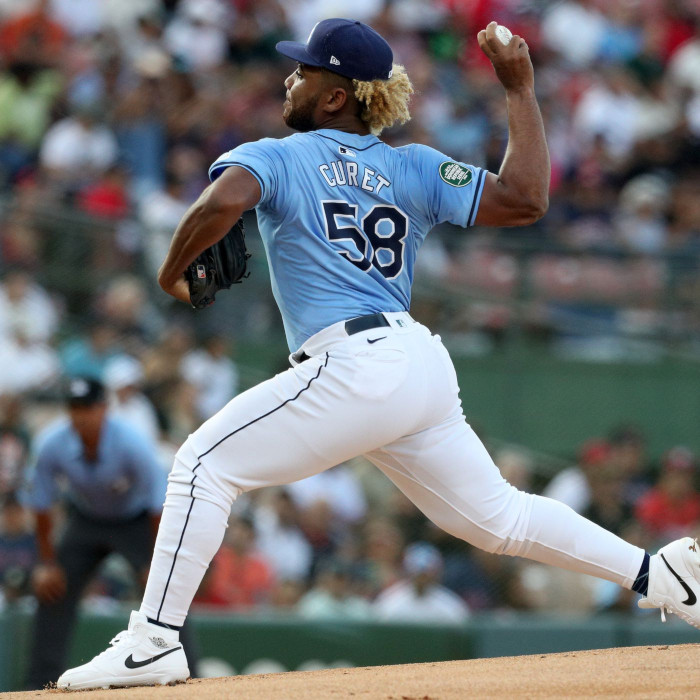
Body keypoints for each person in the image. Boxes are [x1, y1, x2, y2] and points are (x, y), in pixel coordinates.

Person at [57, 18, 700, 691]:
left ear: (336, 96)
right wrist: (520, 91)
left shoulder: (281, 155)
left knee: (201, 464)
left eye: (305, 71)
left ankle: (154, 640)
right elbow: (525, 198)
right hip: (416, 363)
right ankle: (657, 574)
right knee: (500, 518)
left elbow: (226, 199)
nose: (291, 79)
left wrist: (170, 272)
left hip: (355, 363)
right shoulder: (412, 164)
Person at [23, 377, 168, 689]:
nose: (81, 415)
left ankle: (186, 672)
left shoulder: (132, 442)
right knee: (53, 586)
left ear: (103, 408)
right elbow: (41, 504)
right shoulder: (52, 442)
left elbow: (158, 502)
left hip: (136, 519)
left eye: (87, 407)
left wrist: (155, 562)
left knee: (163, 589)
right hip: (87, 519)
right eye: (74, 408)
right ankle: (39, 685)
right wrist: (46, 562)